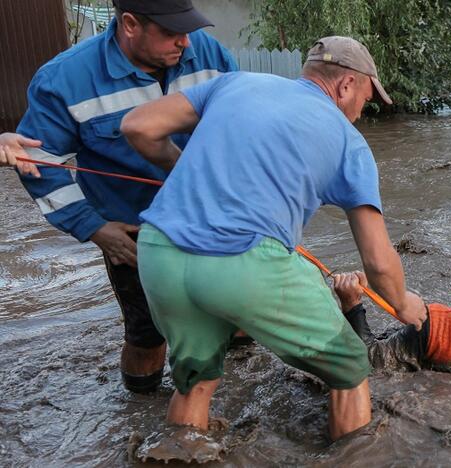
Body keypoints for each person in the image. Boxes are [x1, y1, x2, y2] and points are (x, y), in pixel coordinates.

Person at [120, 36, 427, 440]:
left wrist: (181, 168)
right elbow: (377, 260)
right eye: (366, 100)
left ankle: (181, 448)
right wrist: (403, 303)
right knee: (351, 366)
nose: (359, 113)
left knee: (195, 379)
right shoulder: (349, 141)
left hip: (158, 251)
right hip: (242, 262)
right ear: (346, 85)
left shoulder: (234, 82)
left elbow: (137, 126)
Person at [10, 0, 237, 394]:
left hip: (212, 217)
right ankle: (140, 404)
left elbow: (242, 126)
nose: (186, 41)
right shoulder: (64, 79)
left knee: (236, 310)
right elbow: (42, 163)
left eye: (187, 28)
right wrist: (94, 228)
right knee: (147, 335)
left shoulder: (210, 54)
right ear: (130, 24)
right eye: (171, 32)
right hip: (133, 231)